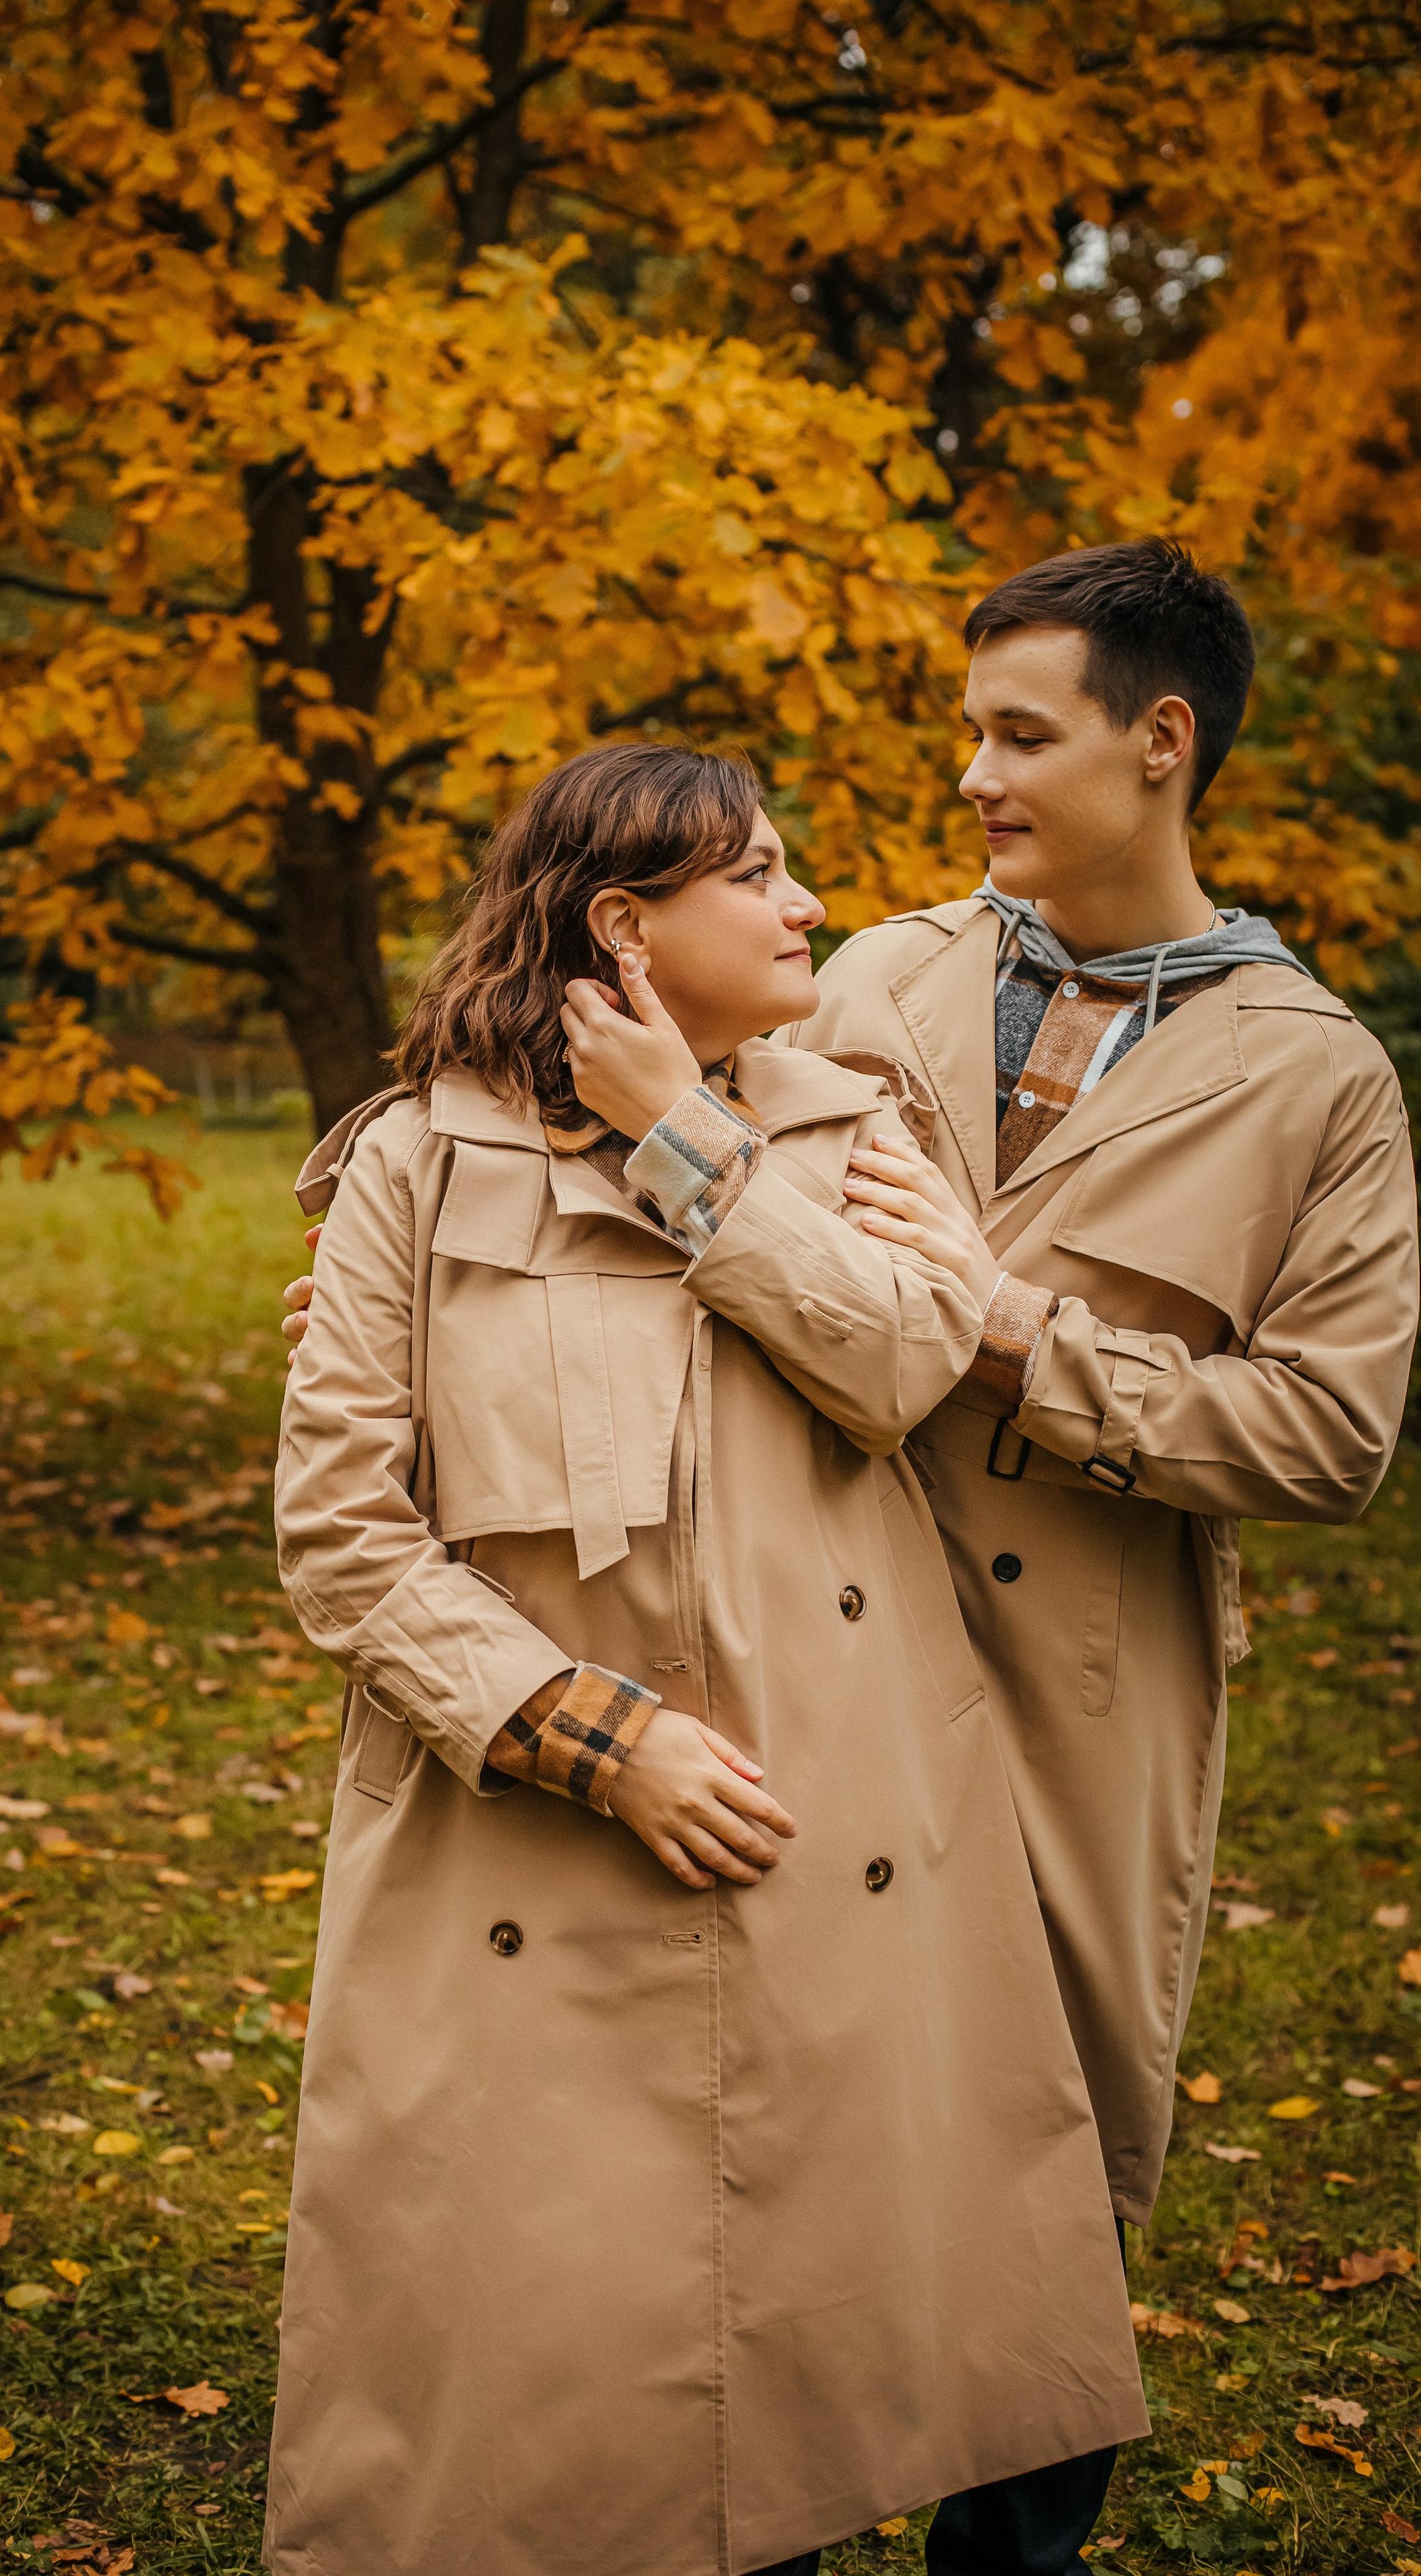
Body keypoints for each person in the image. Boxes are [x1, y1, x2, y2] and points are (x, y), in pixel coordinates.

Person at [262, 743, 1147, 2576]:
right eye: (759, 872)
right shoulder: (414, 1167)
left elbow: (904, 1367)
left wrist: (696, 1144)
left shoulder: (846, 1128)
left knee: (807, 2377)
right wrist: (594, 1739)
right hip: (528, 1851)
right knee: (571, 2397)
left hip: (832, 1850)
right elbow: (344, 1537)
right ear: (626, 925)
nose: (808, 901)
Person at [802, 536, 1418, 2571]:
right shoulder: (874, 973)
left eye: (1017, 732)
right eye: (970, 726)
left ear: (1162, 744)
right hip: (807, 1657)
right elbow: (647, 1183)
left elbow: (1328, 1440)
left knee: (1034, 2202)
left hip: (1081, 1713)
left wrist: (1015, 1339)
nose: (971, 771)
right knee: (780, 2165)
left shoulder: (1316, 1076)